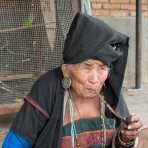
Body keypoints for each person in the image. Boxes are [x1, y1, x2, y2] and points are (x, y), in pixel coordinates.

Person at [2, 13, 142, 148]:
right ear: (66, 70)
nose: (95, 79)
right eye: (87, 67)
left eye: (102, 68)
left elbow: (119, 142)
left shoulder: (109, 90)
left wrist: (125, 137)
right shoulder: (47, 87)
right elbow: (16, 141)